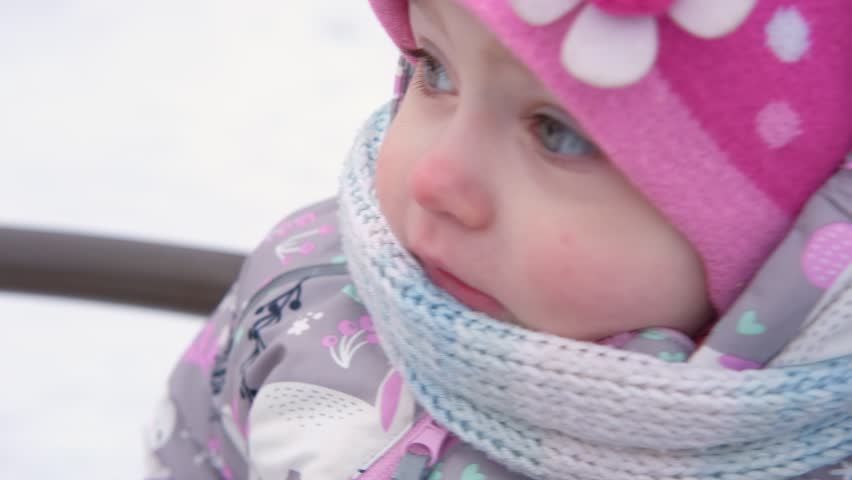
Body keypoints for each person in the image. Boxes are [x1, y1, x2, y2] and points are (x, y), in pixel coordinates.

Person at [145, 1, 852, 479]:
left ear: (784, 240)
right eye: (436, 70)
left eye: (559, 133)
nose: (434, 177)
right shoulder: (311, 287)